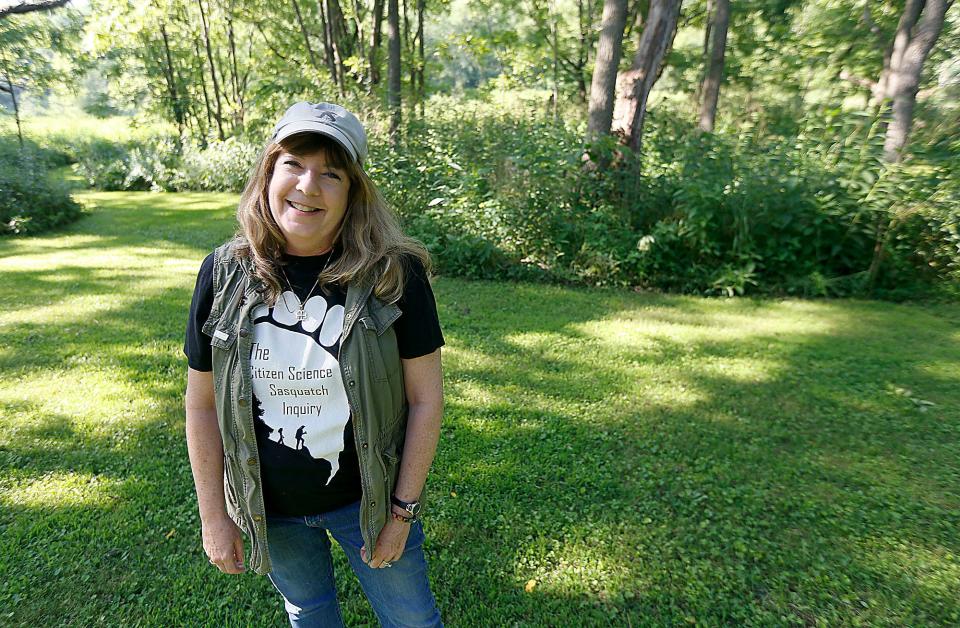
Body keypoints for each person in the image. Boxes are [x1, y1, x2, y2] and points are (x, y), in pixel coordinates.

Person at [183, 101, 445, 627]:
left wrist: (402, 513)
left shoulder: (395, 276)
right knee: (308, 612)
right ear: (268, 173)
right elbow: (202, 402)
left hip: (367, 501)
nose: (308, 186)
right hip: (270, 506)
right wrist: (215, 515)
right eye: (293, 165)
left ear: (354, 194)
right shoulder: (223, 272)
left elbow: (426, 399)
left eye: (332, 174)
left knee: (412, 621)